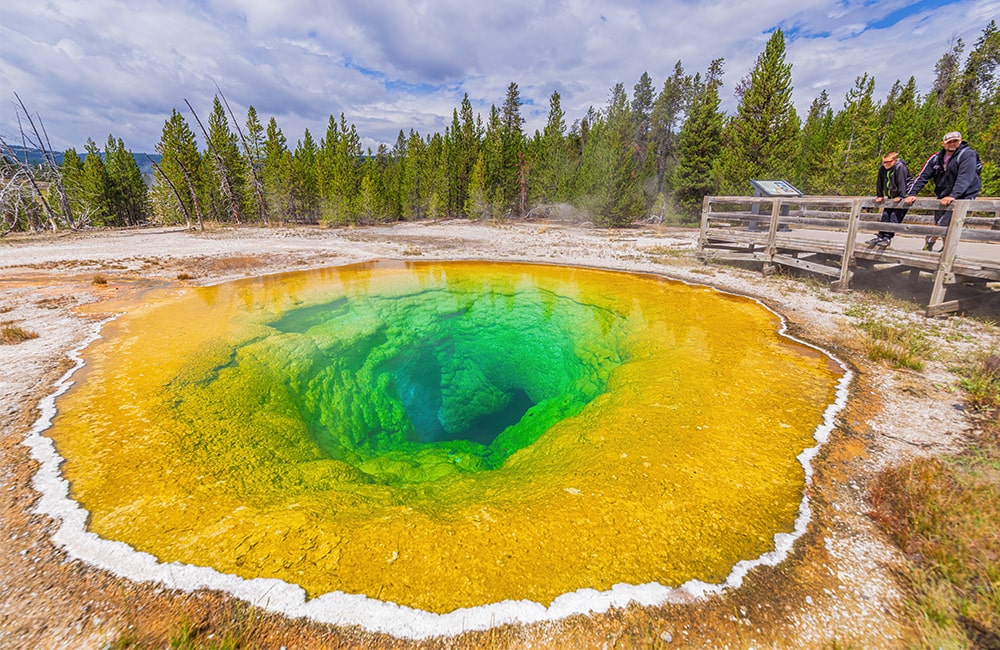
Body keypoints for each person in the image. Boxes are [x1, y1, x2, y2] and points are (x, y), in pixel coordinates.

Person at [904, 131, 982, 251]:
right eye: (949, 142)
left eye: (955, 141)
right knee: (940, 222)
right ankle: (942, 247)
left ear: (960, 141)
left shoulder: (967, 154)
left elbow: (965, 177)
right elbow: (923, 177)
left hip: (964, 193)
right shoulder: (936, 158)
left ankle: (936, 244)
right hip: (943, 193)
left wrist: (953, 195)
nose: (952, 144)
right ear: (943, 143)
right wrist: (912, 194)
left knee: (947, 222)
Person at [868, 151, 913, 247]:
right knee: (885, 215)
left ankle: (887, 238)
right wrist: (879, 195)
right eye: (883, 162)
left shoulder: (900, 167)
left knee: (894, 217)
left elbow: (902, 182)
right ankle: (880, 236)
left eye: (888, 162)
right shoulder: (882, 169)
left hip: (903, 195)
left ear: (895, 161)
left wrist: (901, 196)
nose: (885, 164)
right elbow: (879, 183)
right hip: (891, 196)